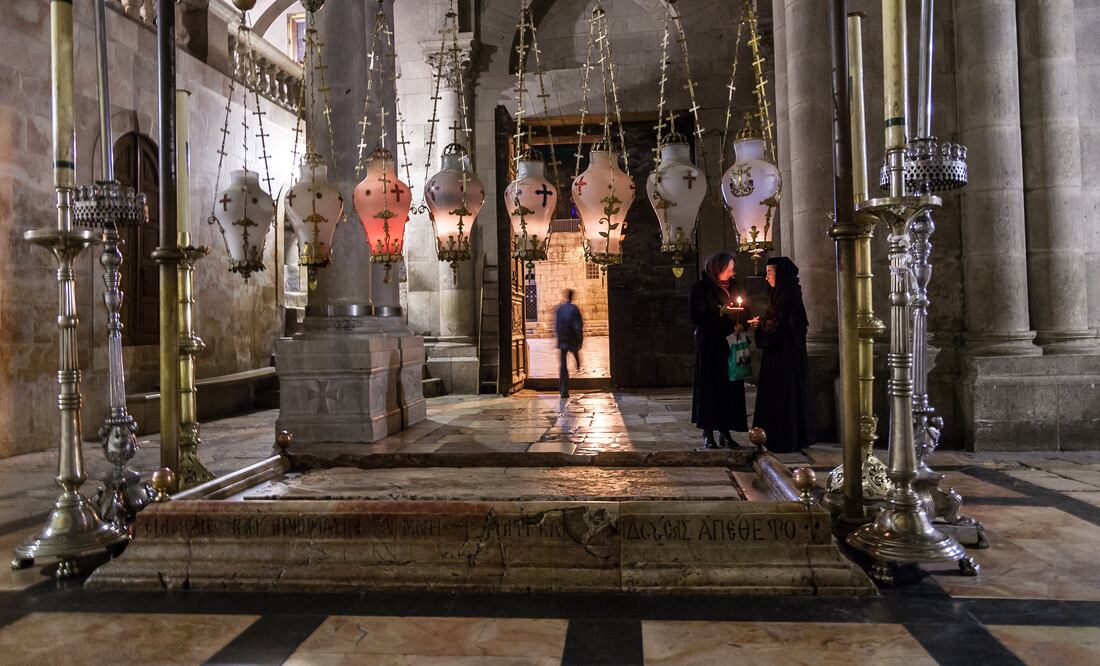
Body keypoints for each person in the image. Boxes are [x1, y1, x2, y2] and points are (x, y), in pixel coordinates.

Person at [753, 256, 814, 452]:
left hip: (787, 356)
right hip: (778, 354)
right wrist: (763, 322)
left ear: (781, 274)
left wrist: (761, 324)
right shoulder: (778, 293)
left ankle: (787, 437)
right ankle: (775, 435)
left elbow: (785, 324)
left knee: (785, 395)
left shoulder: (789, 296)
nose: (767, 277)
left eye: (770, 273)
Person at [690, 252, 751, 449]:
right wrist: (719, 311)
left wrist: (743, 324)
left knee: (729, 389)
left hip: (729, 345)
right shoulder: (700, 289)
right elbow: (696, 316)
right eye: (728, 269)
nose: (732, 272)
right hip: (710, 346)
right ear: (717, 269)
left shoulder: (733, 287)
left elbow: (745, 310)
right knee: (710, 389)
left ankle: (725, 431)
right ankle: (708, 432)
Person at [554, 289, 583, 399]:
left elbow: (556, 324)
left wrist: (559, 337)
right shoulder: (574, 309)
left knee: (563, 365)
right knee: (574, 351)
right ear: (572, 296)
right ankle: (578, 363)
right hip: (571, 339)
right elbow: (577, 326)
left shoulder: (560, 309)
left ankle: (563, 390)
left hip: (562, 340)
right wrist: (580, 340)